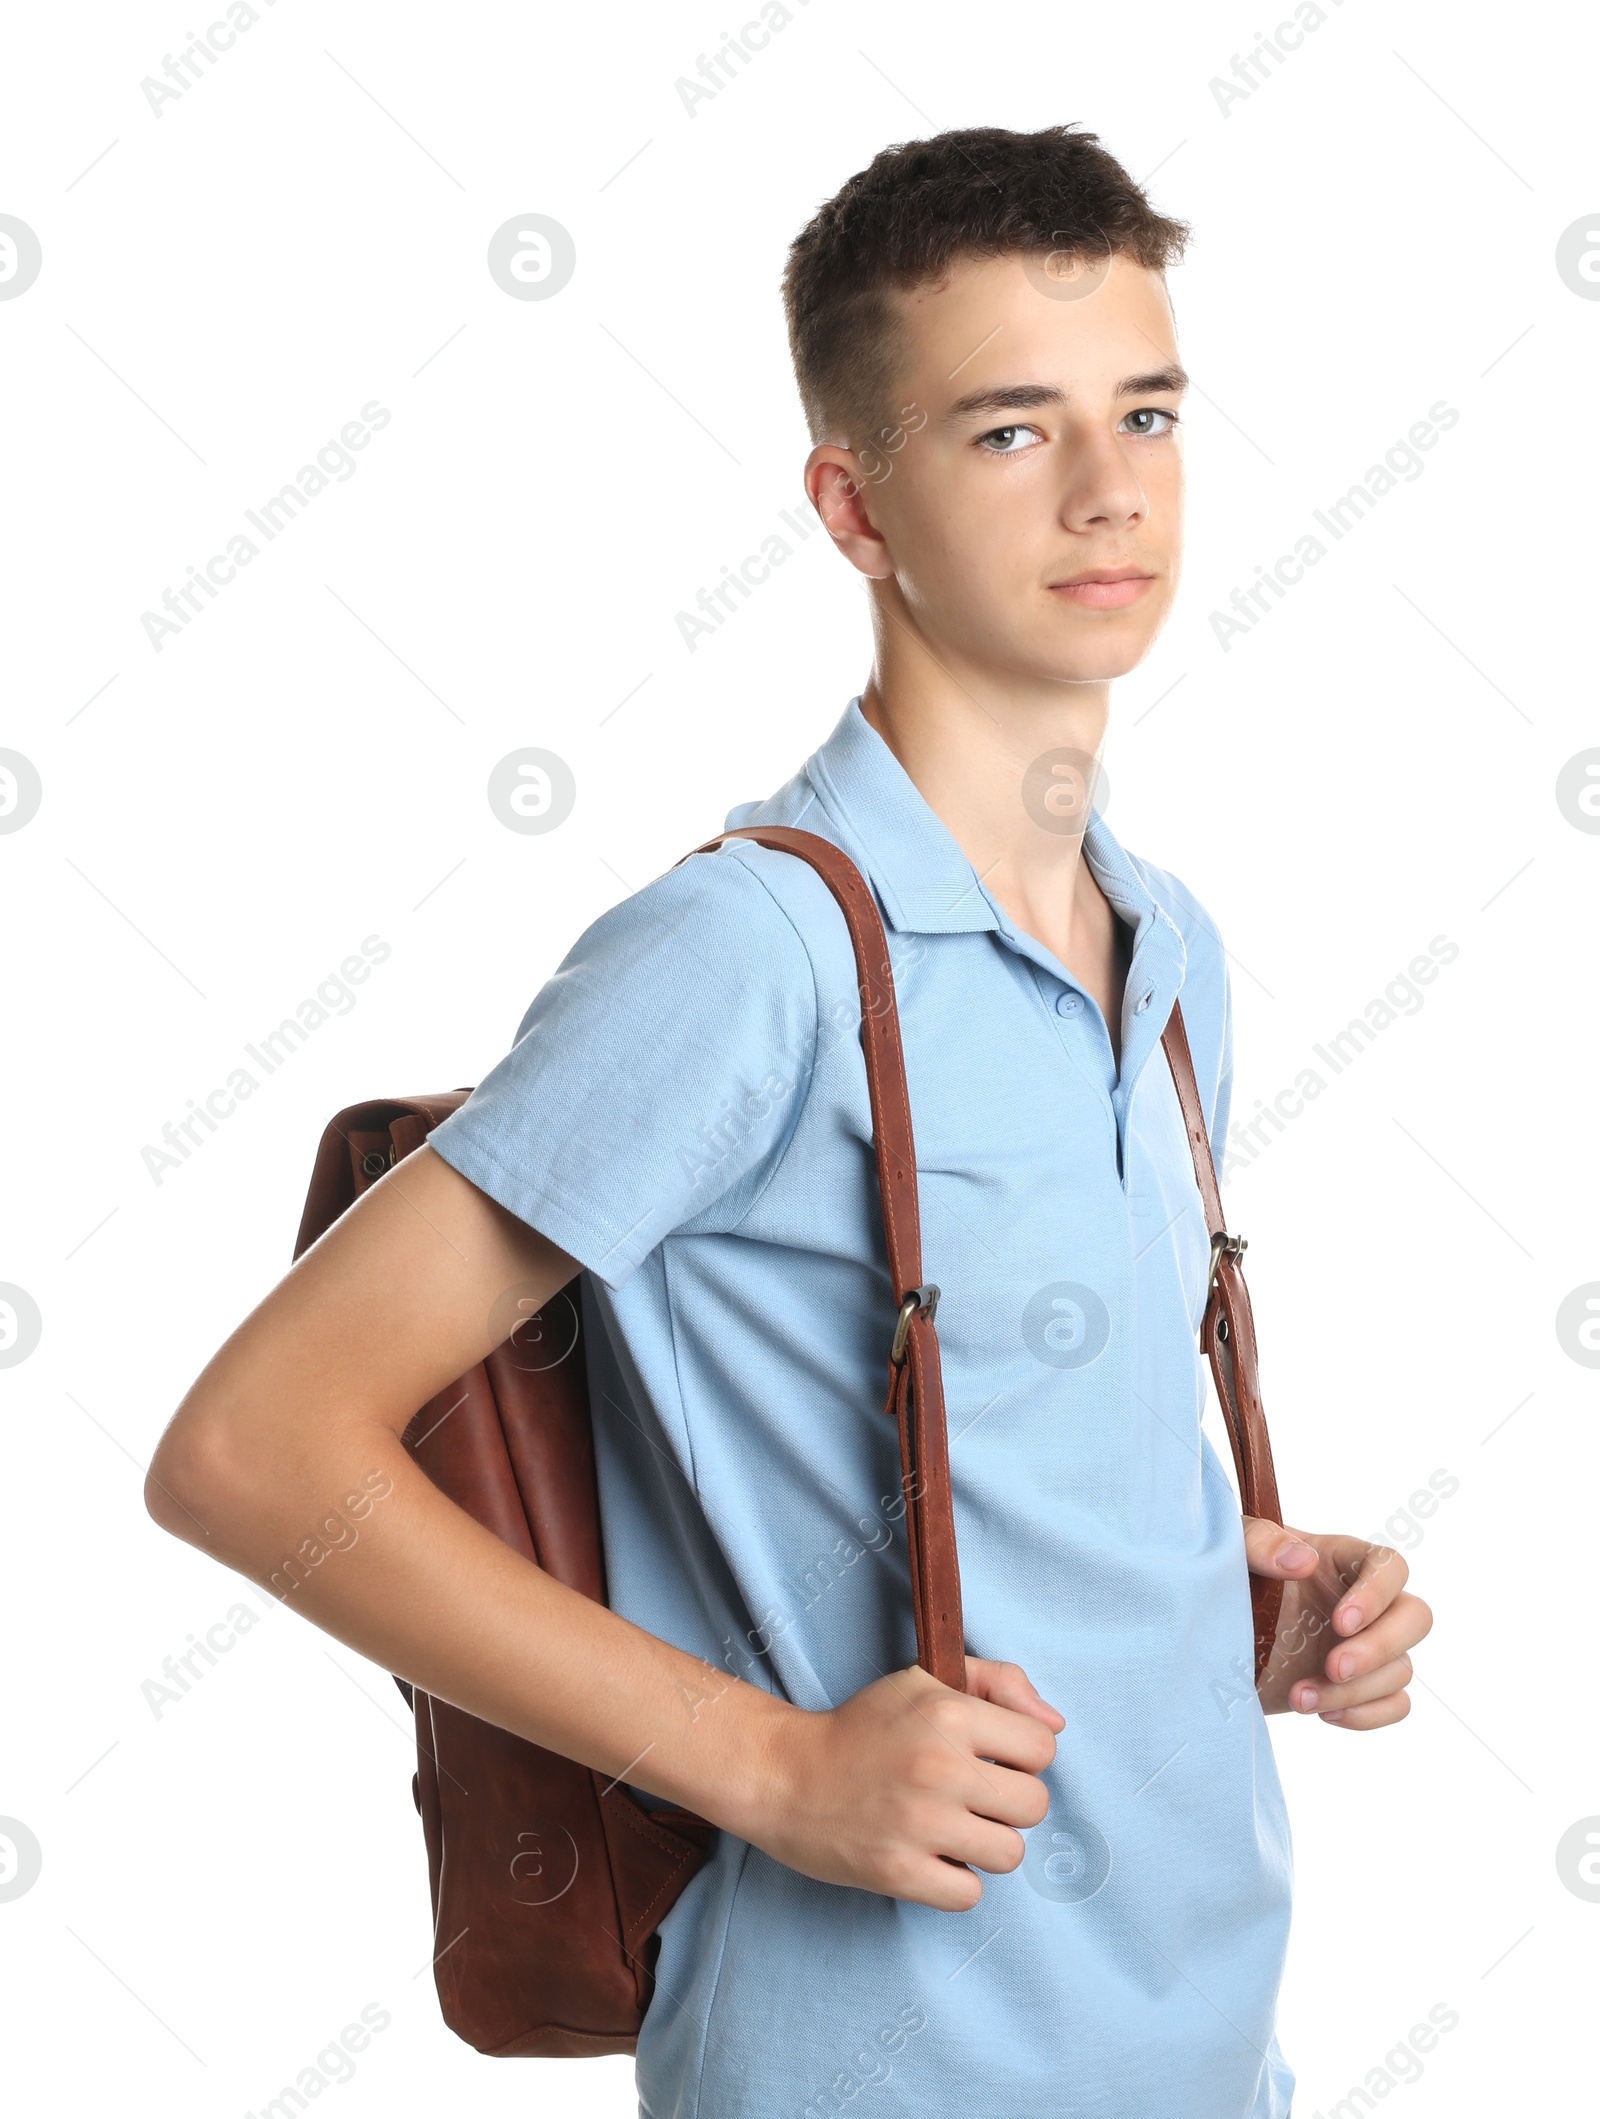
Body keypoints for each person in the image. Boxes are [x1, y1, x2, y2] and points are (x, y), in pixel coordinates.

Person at [148, 124, 1433, 2118]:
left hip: (1203, 2059)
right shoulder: (750, 949)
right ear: (854, 503)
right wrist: (774, 1769)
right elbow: (250, 1450)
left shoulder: (1165, 948)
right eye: (1009, 432)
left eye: (1145, 414)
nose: (1110, 492)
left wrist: (1229, 1606)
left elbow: (994, 1458)